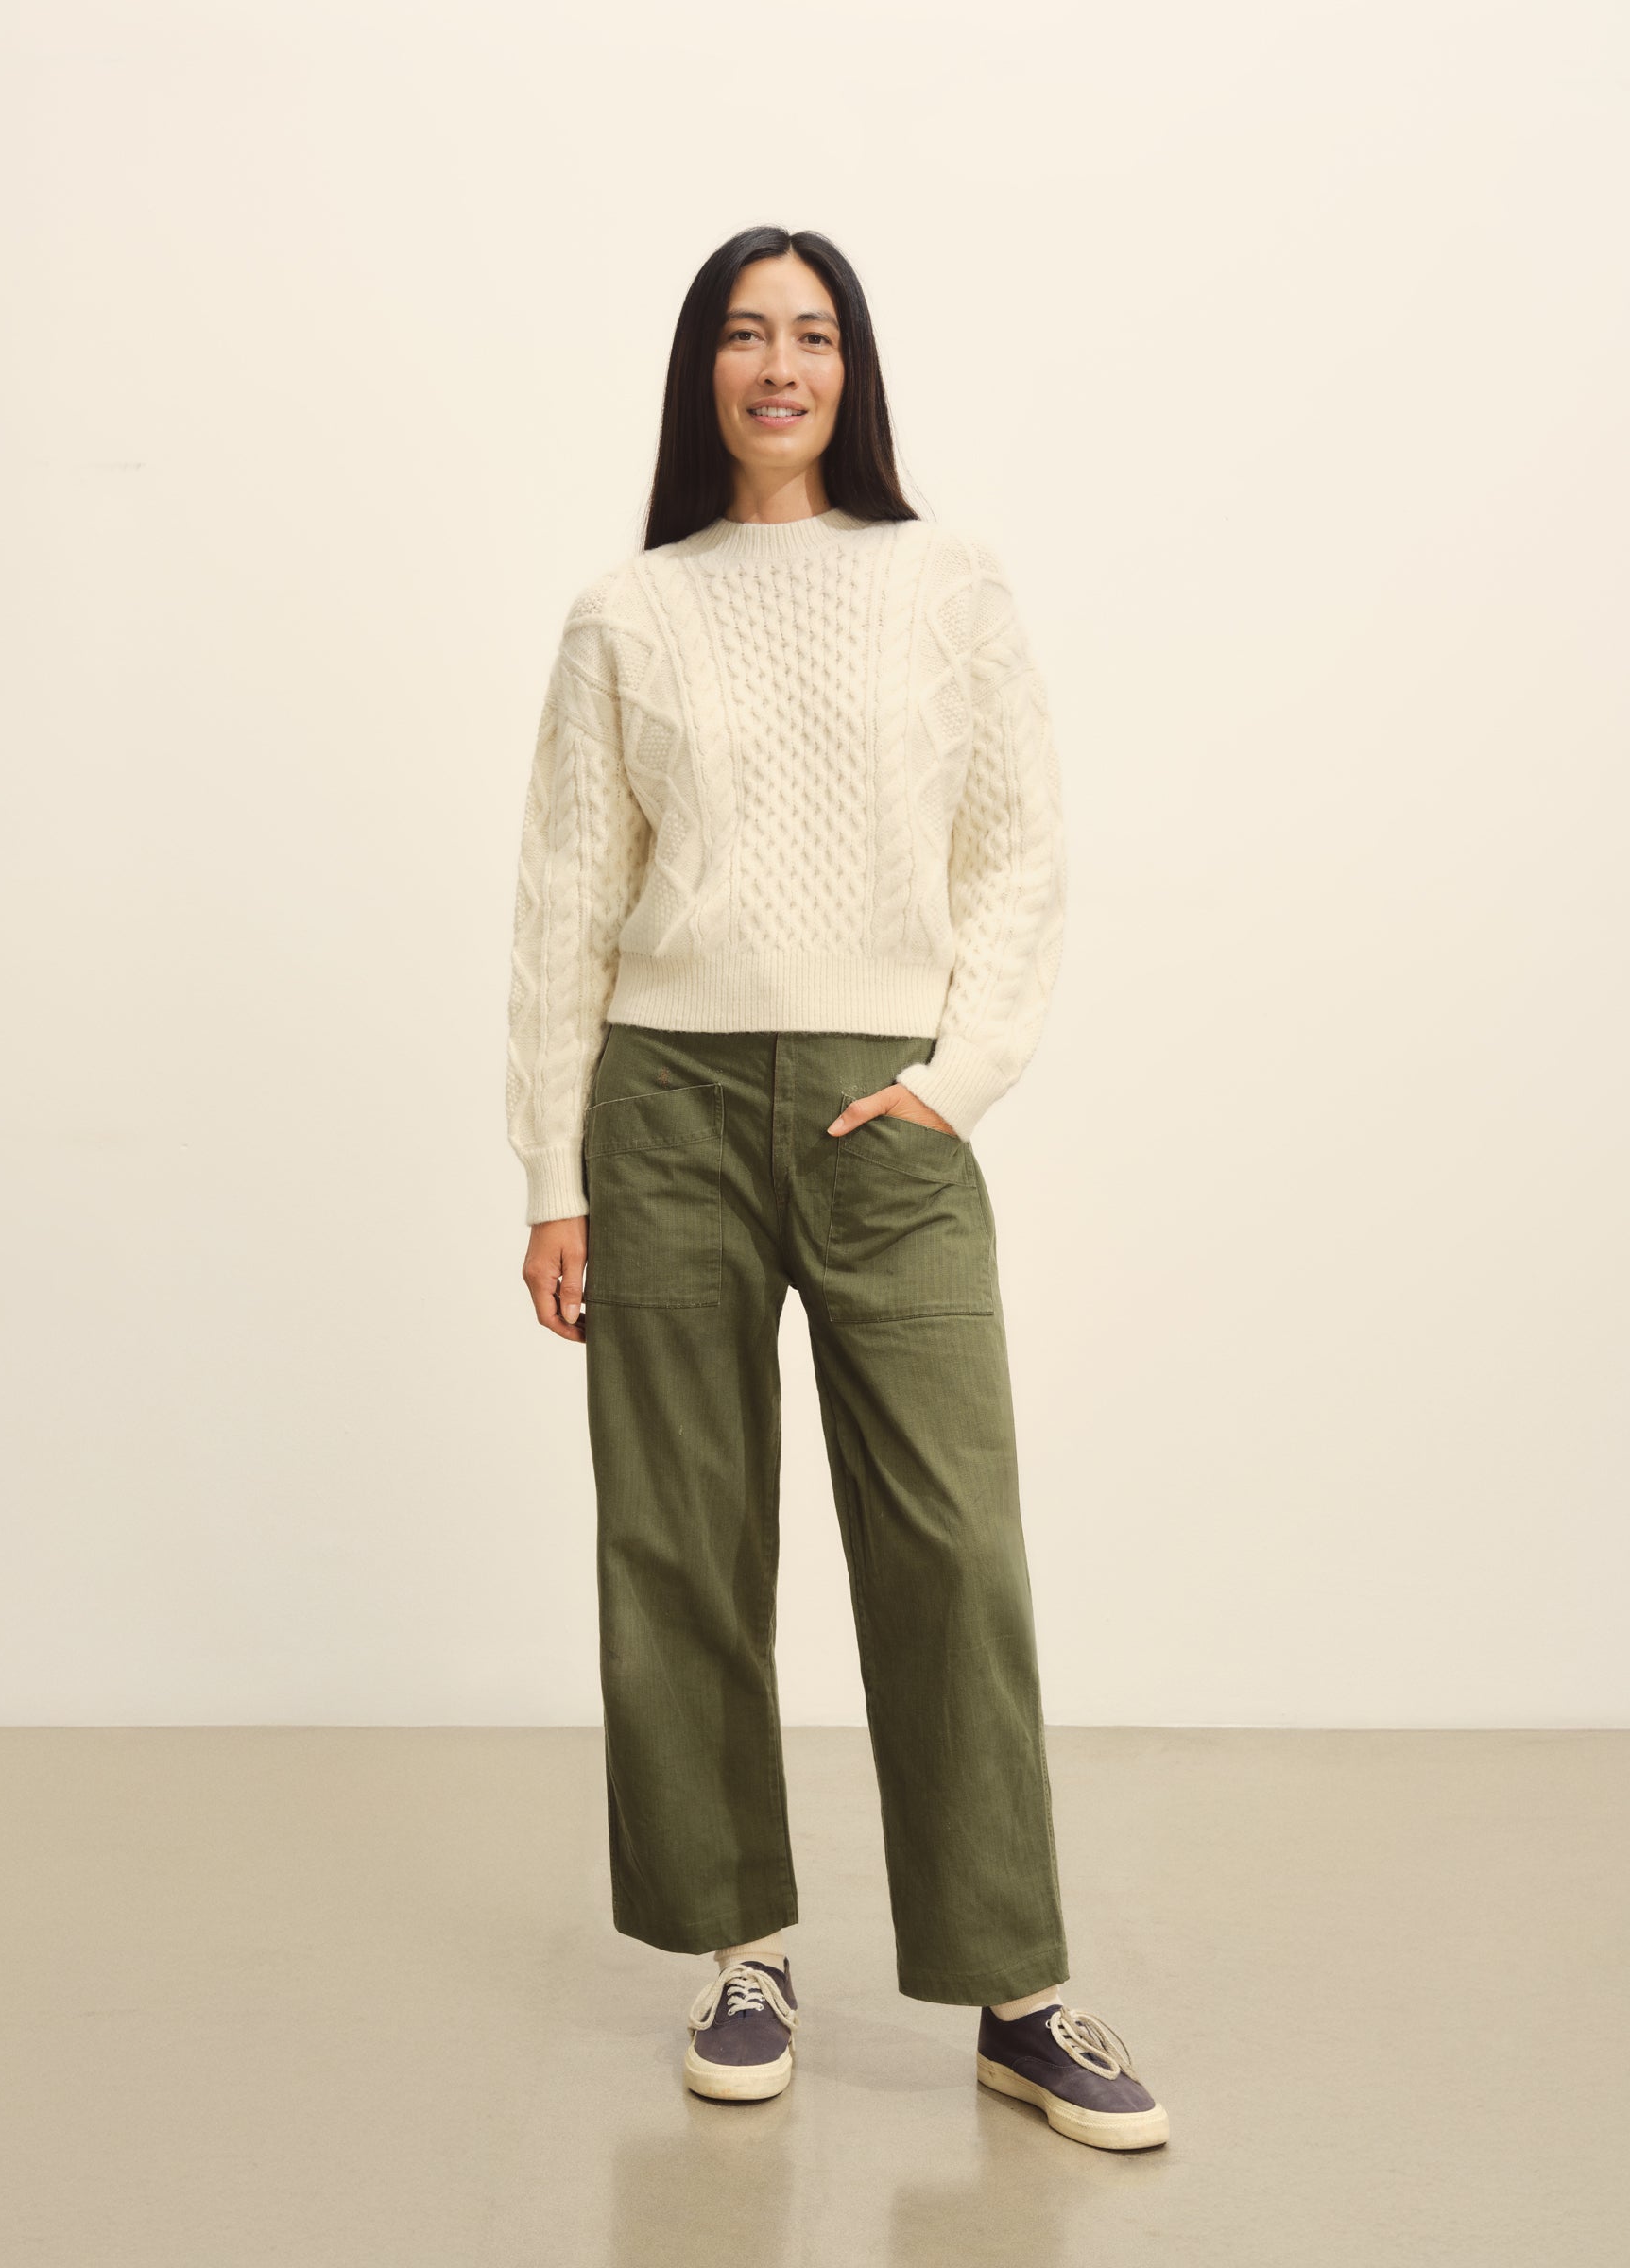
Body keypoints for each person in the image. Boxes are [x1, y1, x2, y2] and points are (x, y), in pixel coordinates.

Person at [505, 224, 1169, 2152]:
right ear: (702, 373)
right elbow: (563, 900)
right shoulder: (627, 611)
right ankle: (741, 1951)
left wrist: (958, 1084)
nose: (778, 365)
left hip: (889, 1118)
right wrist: (552, 1171)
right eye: (744, 334)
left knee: (953, 1545)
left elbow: (1019, 849)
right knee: (682, 1542)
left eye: (810, 334)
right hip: (667, 1110)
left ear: (852, 370)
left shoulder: (947, 583)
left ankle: (1018, 1994)